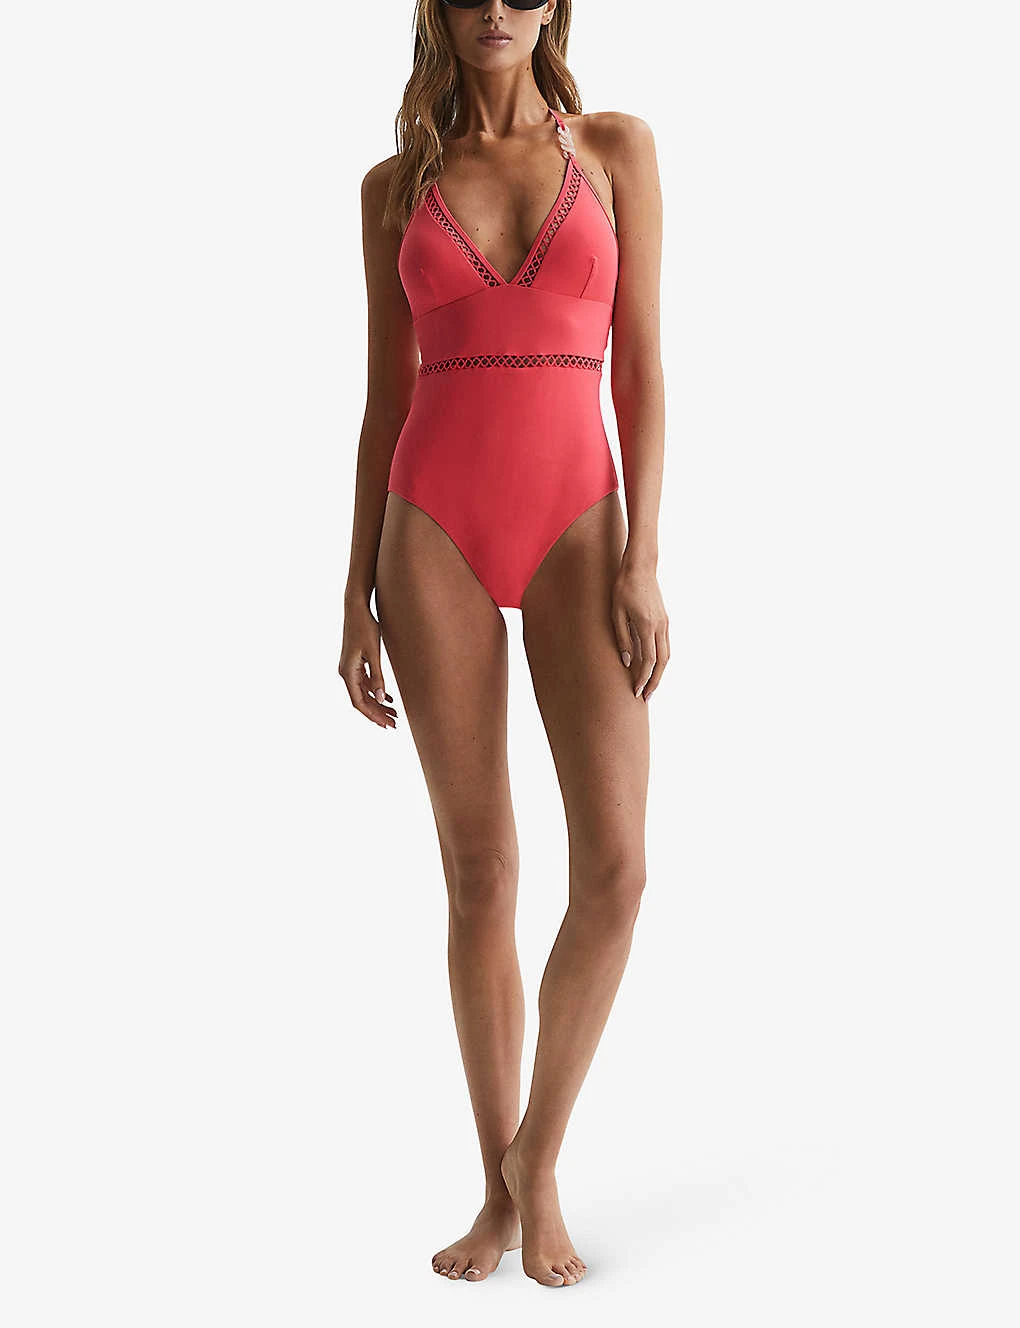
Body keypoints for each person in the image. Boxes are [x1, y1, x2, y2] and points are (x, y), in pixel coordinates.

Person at [338, 0, 668, 1288]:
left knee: (618, 871)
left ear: (553, 6)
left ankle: (540, 1160)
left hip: (583, 524)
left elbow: (641, 372)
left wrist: (644, 559)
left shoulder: (618, 150)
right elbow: (383, 401)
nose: (495, 9)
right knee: (479, 870)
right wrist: (350, 589)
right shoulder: (393, 189)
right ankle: (496, 1190)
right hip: (431, 528)